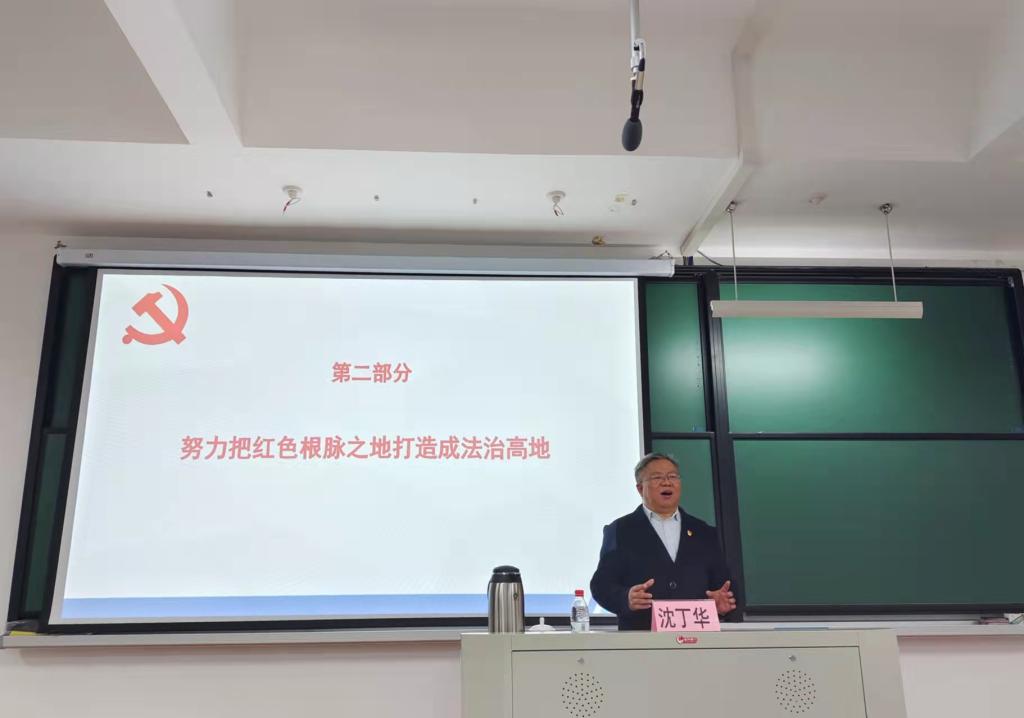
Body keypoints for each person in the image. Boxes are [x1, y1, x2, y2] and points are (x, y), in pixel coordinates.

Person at [590, 452, 737, 630]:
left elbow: (722, 585)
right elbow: (601, 585)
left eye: (672, 477)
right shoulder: (621, 530)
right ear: (640, 488)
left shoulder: (703, 531)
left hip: (696, 636)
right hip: (642, 636)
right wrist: (625, 598)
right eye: (657, 477)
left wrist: (720, 603)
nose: (666, 482)